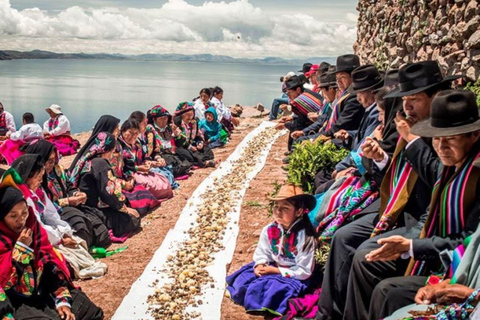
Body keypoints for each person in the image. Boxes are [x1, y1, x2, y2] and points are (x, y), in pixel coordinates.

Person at [315, 61, 453, 320]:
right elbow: (397, 180)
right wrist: (380, 160)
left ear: (436, 98)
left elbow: (440, 180)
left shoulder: (445, 131)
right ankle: (327, 314)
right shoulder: (412, 127)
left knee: (364, 255)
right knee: (343, 237)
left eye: (414, 100)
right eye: (405, 100)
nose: (407, 107)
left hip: (421, 219)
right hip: (395, 209)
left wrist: (412, 143)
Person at [357, 90, 480, 320]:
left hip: (460, 269)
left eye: (450, 139)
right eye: (436, 139)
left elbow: (468, 241)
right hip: (437, 251)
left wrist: (412, 246)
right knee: (368, 262)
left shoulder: (475, 174)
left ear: (474, 135)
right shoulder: (453, 166)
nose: (441, 147)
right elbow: (431, 212)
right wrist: (409, 242)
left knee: (388, 292)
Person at [0, 170, 104, 320]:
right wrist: (21, 250)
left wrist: (61, 299)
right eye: (13, 216)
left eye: (24, 213)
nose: (21, 220)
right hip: (16, 302)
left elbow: (49, 261)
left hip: (42, 289)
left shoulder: (33, 227)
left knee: (88, 311)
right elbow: (4, 283)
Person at [226, 184, 317, 316]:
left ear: (298, 211)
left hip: (293, 274)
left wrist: (276, 271)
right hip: (273, 266)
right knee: (243, 279)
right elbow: (263, 252)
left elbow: (304, 271)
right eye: (276, 207)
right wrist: (260, 264)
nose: (278, 212)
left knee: (273, 289)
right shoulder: (270, 229)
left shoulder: (305, 236)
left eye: (285, 208)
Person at [12, 154, 107, 280]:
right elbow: (37, 226)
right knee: (61, 263)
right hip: (35, 240)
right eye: (38, 177)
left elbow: (52, 215)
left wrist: (65, 233)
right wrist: (60, 238)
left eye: (41, 177)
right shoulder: (22, 199)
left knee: (77, 244)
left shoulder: (38, 192)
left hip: (52, 235)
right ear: (27, 176)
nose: (41, 181)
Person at [23, 139, 111, 249]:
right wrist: (67, 201)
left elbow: (68, 185)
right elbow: (48, 206)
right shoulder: (35, 179)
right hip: (60, 210)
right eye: (49, 161)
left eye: (54, 160)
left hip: (65, 208)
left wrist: (76, 193)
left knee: (101, 231)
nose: (53, 164)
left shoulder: (56, 170)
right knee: (80, 227)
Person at [69, 132, 141, 238]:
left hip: (86, 206)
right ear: (110, 149)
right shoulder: (100, 164)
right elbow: (108, 193)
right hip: (95, 209)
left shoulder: (87, 160)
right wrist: (123, 208)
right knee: (134, 219)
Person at [117, 118, 173, 202]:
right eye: (130, 132)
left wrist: (148, 163)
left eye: (136, 133)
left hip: (141, 171)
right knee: (153, 187)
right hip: (128, 175)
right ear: (122, 131)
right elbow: (123, 167)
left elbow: (145, 156)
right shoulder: (118, 146)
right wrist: (139, 168)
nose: (133, 136)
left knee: (164, 180)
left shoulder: (137, 143)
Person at [144, 105, 192, 177]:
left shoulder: (169, 128)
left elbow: (180, 144)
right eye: (161, 119)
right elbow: (151, 149)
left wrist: (176, 134)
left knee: (186, 158)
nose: (164, 121)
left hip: (172, 153)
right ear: (154, 119)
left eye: (165, 118)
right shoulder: (150, 129)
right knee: (170, 162)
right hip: (159, 155)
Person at [173, 102, 216, 168]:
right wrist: (190, 147)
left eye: (191, 113)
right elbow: (179, 141)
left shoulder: (194, 122)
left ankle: (199, 161)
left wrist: (200, 142)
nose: (189, 116)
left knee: (208, 151)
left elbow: (197, 135)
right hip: (182, 146)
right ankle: (203, 162)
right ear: (181, 115)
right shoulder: (177, 124)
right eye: (187, 114)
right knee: (184, 154)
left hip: (193, 144)